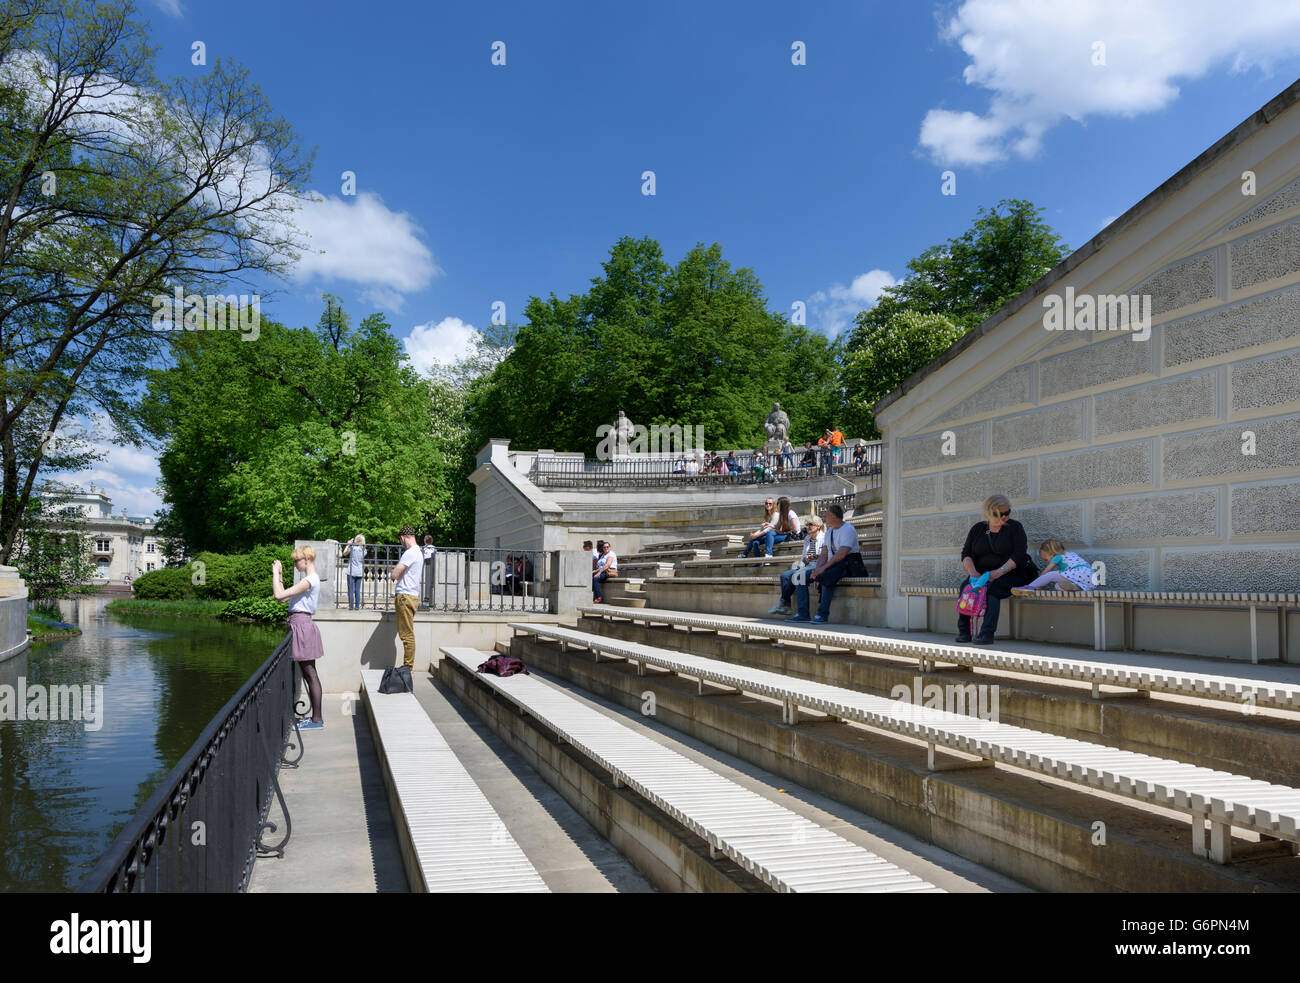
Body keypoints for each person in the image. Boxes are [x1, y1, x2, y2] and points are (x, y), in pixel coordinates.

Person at [956, 495, 1037, 645]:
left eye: (1007, 512)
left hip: (1013, 572)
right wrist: (972, 572)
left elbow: (1019, 555)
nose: (1005, 517)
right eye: (999, 514)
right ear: (988, 513)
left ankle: (987, 633)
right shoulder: (978, 529)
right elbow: (966, 553)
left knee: (992, 589)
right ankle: (964, 632)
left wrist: (998, 573)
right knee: (966, 587)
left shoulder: (1015, 527)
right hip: (982, 574)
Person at [272, 546, 325, 728]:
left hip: (302, 626)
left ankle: (317, 720)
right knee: (309, 674)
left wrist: (273, 572)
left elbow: (278, 595)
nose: (295, 564)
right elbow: (284, 598)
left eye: (297, 560)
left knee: (310, 674)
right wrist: (279, 576)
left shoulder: (310, 580)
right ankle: (315, 718)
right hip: (300, 625)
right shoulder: (308, 580)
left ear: (306, 559)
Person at [786, 505, 866, 624]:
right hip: (834, 564)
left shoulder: (848, 529)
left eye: (826, 515)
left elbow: (841, 555)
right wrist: (817, 569)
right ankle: (803, 614)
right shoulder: (829, 531)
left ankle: (822, 615)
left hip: (849, 564)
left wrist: (822, 569)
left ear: (833, 516)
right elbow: (824, 554)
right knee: (799, 576)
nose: (824, 518)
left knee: (827, 576)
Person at [769, 516, 823, 616]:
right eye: (807, 525)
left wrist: (816, 556)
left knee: (799, 576)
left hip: (818, 566)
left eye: (811, 525)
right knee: (785, 576)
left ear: (818, 526)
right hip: (806, 566)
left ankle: (800, 612)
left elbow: (826, 556)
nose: (808, 527)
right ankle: (787, 605)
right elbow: (803, 558)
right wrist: (805, 560)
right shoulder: (807, 538)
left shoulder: (824, 538)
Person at [391, 525, 424, 669]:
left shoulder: (410, 553)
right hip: (412, 596)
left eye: (400, 541)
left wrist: (396, 573)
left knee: (406, 635)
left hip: (405, 597)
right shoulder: (418, 552)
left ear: (403, 538)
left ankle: (407, 668)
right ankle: (407, 667)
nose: (401, 544)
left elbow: (394, 574)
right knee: (408, 634)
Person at [1013, 539, 1095, 594]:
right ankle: (1075, 587)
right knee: (1058, 586)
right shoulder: (1070, 554)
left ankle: (1029, 588)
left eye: (1046, 559)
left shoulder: (1058, 557)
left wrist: (1038, 584)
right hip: (1089, 578)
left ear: (1052, 553)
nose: (1048, 561)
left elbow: (1046, 572)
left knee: (1050, 575)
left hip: (1078, 572)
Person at [341, 534, 366, 610]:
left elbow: (344, 553)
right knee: (357, 590)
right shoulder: (364, 550)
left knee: (351, 590)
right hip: (359, 572)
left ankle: (351, 606)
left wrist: (348, 544)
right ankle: (357, 606)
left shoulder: (352, 548)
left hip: (351, 571)